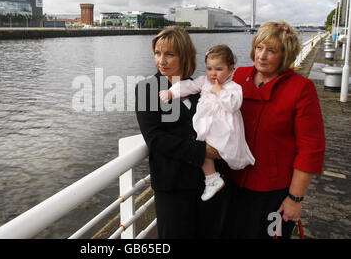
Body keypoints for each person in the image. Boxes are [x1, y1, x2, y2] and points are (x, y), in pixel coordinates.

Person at [221, 21, 325, 239]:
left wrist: (295, 198)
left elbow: (311, 149)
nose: (262, 55)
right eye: (259, 47)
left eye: (271, 51)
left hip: (274, 193)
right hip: (234, 185)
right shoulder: (239, 77)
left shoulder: (301, 89)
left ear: (286, 55)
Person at [134, 26, 223, 238]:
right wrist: (203, 151)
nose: (161, 60)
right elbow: (155, 138)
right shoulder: (148, 88)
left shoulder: (197, 87)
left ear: (184, 57)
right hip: (172, 186)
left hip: (205, 182)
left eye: (169, 54)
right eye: (157, 53)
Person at [159, 45, 255, 202]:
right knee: (202, 149)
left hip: (223, 129)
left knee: (217, 151)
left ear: (231, 69)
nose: (213, 73)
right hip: (206, 125)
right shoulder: (204, 82)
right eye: (209, 68)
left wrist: (219, 91)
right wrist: (172, 92)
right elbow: (188, 86)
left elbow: (233, 105)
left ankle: (214, 179)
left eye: (219, 69)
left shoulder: (233, 87)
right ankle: (211, 179)